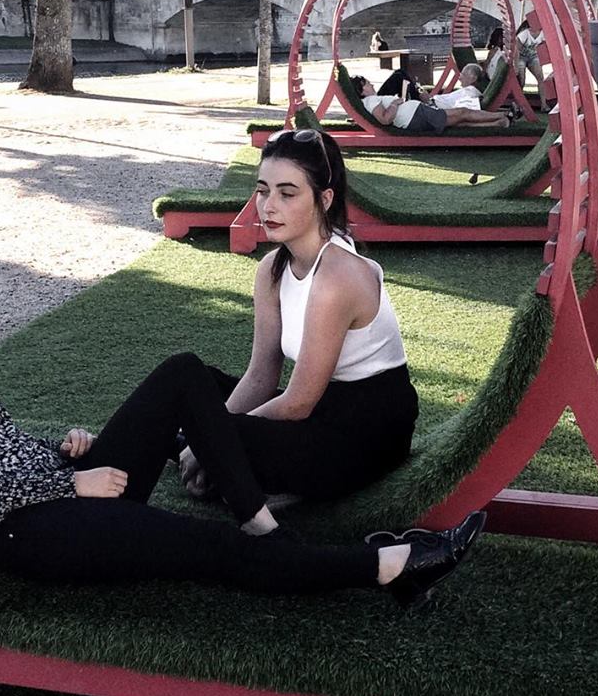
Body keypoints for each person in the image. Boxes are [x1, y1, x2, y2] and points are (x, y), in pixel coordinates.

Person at [0, 265, 485, 607]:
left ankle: (259, 520)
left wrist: (60, 452)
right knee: (208, 549)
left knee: (184, 374)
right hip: (29, 534)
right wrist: (70, 485)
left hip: (59, 488)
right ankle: (389, 567)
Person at [180, 130, 420, 509]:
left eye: (287, 194)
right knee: (189, 384)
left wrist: (215, 439)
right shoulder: (271, 269)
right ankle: (213, 463)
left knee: (215, 436)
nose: (268, 207)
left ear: (324, 199)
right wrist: (217, 435)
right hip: (318, 410)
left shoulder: (338, 276)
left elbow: (298, 403)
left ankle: (238, 472)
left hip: (366, 430)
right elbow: (260, 376)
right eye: (263, 191)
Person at [350, 75, 508, 131]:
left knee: (459, 121)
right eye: (368, 84)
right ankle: (503, 115)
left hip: (417, 114)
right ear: (362, 90)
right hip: (417, 115)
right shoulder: (370, 101)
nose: (372, 85)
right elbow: (385, 119)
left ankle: (497, 123)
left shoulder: (371, 100)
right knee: (463, 112)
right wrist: (395, 103)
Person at [515, 20, 549, 111]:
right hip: (520, 57)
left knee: (540, 77)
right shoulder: (524, 34)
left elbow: (545, 45)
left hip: (533, 56)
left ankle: (544, 105)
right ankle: (518, 104)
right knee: (521, 80)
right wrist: (516, 66)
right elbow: (516, 50)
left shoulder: (542, 33)